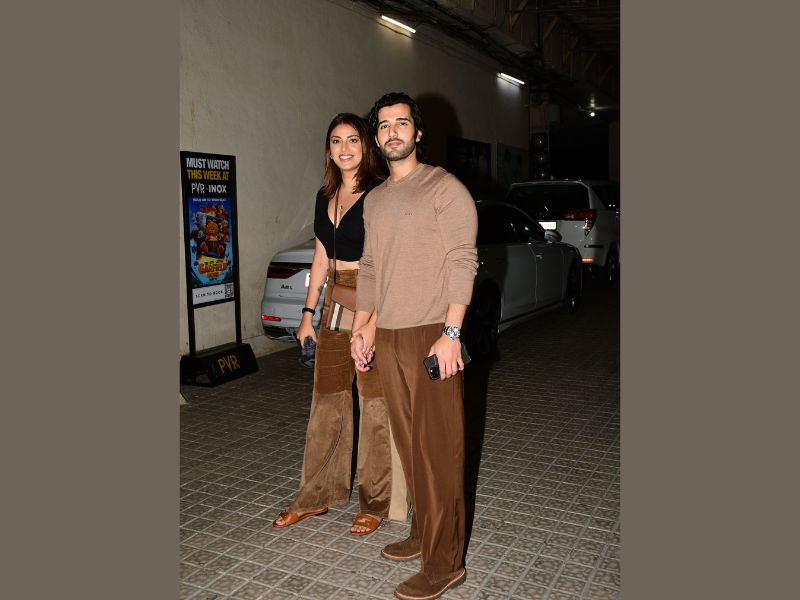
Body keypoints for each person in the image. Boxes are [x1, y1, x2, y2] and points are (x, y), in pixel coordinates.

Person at [351, 93, 478, 600]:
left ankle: (445, 564)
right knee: (409, 446)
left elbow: (463, 260)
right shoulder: (376, 200)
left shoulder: (444, 188)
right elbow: (371, 268)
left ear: (418, 133)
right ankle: (424, 533)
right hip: (390, 335)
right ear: (377, 137)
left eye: (401, 123)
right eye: (383, 126)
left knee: (439, 451)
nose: (392, 132)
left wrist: (452, 334)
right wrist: (363, 327)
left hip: (432, 334)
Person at [273, 113, 408, 535]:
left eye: (353, 140)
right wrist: (307, 315)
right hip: (335, 300)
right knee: (327, 401)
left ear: (366, 146)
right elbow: (320, 258)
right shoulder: (325, 195)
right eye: (336, 140)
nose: (344, 148)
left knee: (374, 403)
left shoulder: (380, 194)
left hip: (372, 297)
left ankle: (376, 502)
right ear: (328, 149)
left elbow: (392, 263)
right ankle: (315, 495)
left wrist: (373, 323)